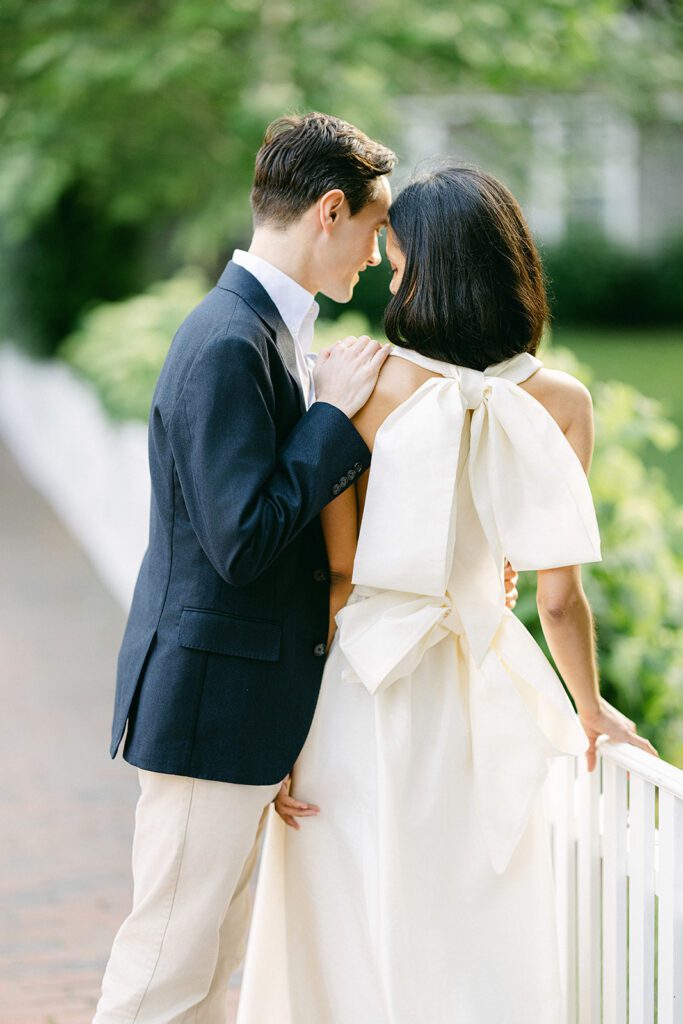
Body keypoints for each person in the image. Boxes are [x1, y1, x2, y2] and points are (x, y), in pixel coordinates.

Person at [236, 166, 659, 1024]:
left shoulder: (361, 384)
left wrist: (285, 724)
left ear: (425, 270)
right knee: (473, 915)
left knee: (351, 909)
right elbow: (556, 598)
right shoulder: (564, 402)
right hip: (483, 679)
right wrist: (589, 705)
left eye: (395, 264)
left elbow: (342, 575)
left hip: (366, 680)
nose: (391, 278)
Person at [93, 112, 400, 1023]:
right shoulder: (230, 341)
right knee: (161, 977)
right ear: (330, 211)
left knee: (201, 978)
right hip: (205, 711)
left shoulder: (261, 329)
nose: (378, 259)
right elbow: (241, 542)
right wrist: (332, 423)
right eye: (375, 232)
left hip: (233, 710)